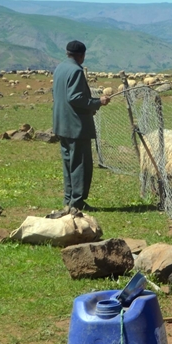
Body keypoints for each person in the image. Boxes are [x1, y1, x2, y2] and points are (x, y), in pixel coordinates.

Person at [51, 40, 110, 215]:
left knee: (68, 163)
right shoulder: (76, 71)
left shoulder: (60, 68)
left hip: (62, 124)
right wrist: (97, 102)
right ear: (81, 55)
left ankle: (69, 199)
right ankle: (77, 203)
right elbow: (75, 98)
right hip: (76, 126)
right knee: (80, 164)